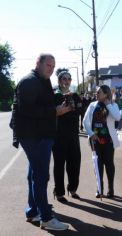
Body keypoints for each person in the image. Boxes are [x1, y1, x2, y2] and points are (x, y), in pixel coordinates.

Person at [10, 53, 69, 230]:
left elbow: (42, 103)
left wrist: (59, 107)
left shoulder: (42, 80)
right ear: (38, 64)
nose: (51, 69)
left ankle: (33, 211)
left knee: (34, 175)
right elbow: (26, 109)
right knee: (41, 176)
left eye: (53, 66)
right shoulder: (30, 81)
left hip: (40, 135)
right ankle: (46, 218)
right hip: (34, 136)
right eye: (48, 65)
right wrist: (54, 112)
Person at [83, 85, 122, 198]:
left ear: (105, 94)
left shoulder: (112, 105)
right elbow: (85, 122)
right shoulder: (92, 105)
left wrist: (108, 104)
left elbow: (117, 117)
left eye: (99, 92)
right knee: (97, 164)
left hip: (108, 140)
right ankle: (99, 189)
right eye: (97, 92)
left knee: (109, 164)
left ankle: (111, 189)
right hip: (95, 140)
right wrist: (91, 134)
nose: (96, 94)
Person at [52, 71, 82, 203]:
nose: (66, 81)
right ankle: (59, 192)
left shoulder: (75, 95)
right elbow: (52, 113)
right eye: (63, 79)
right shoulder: (55, 96)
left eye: (69, 79)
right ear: (59, 81)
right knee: (59, 165)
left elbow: (81, 110)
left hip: (73, 135)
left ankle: (73, 189)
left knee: (75, 163)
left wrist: (73, 105)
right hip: (58, 136)